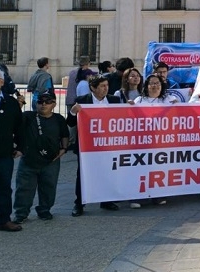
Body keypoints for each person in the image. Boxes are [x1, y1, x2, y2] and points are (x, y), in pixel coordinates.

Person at [67, 75, 122, 215]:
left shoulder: (114, 100)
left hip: (108, 144)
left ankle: (106, 200)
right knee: (83, 173)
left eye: (107, 85)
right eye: (102, 86)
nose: (106, 88)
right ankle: (79, 203)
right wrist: (73, 112)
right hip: (87, 146)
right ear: (93, 87)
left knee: (108, 171)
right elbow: (71, 123)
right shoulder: (82, 100)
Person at [12, 89, 68, 223]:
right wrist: (18, 106)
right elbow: (14, 121)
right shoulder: (28, 116)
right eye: (40, 102)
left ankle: (44, 210)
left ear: (54, 104)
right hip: (29, 160)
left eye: (47, 102)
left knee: (49, 187)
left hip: (51, 161)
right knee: (24, 189)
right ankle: (21, 213)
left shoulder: (59, 119)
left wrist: (64, 148)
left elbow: (64, 135)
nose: (43, 104)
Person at [130, 75, 177, 208]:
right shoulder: (139, 100)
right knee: (141, 170)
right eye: (151, 83)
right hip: (142, 143)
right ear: (146, 86)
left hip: (161, 142)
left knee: (158, 170)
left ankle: (158, 196)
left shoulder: (169, 99)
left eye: (157, 83)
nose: (155, 86)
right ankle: (138, 198)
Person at [0, 69, 23, 232]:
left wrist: (20, 147)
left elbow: (19, 127)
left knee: (4, 186)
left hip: (3, 153)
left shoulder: (10, 103)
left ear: (2, 81)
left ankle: (3, 219)